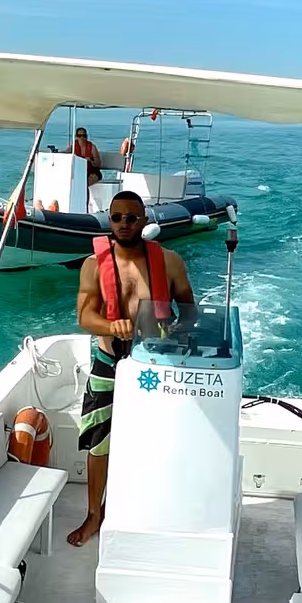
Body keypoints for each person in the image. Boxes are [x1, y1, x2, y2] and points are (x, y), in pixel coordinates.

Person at [68, 191, 195, 546]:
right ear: (109, 220)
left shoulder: (170, 262)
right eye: (117, 218)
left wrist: (177, 335)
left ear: (144, 220)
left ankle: (146, 508)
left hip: (154, 364)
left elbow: (189, 310)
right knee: (98, 443)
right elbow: (84, 315)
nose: (124, 224)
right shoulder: (93, 265)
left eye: (132, 218)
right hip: (108, 363)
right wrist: (113, 327)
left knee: (156, 441)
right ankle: (95, 514)